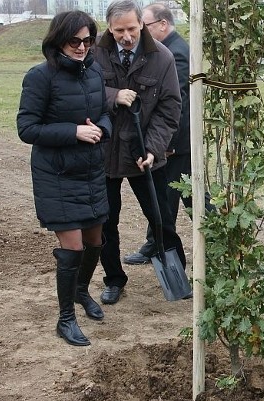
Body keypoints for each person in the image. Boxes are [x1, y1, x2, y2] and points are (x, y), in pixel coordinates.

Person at [17, 11, 112, 346]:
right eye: (75, 41)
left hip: (90, 171)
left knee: (95, 242)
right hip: (56, 175)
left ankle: (82, 292)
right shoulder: (40, 77)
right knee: (71, 248)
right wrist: (74, 131)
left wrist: (102, 128)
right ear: (59, 40)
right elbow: (26, 128)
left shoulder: (95, 72)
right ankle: (65, 318)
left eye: (88, 41)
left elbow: (103, 112)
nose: (83, 47)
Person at [93, 0, 184, 304]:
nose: (126, 36)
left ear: (141, 24)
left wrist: (154, 150)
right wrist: (113, 95)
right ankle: (114, 279)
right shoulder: (95, 53)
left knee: (160, 217)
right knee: (106, 221)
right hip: (104, 153)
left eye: (132, 28)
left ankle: (177, 272)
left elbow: (170, 108)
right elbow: (81, 93)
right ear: (109, 27)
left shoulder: (162, 57)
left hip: (143, 153)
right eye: (119, 30)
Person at [124, 3, 211, 265]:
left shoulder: (176, 53)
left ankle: (158, 244)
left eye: (144, 26)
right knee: (184, 194)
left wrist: (166, 144)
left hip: (176, 143)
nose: (141, 32)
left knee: (168, 196)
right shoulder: (170, 49)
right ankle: (216, 234)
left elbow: (179, 105)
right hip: (174, 142)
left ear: (162, 24)